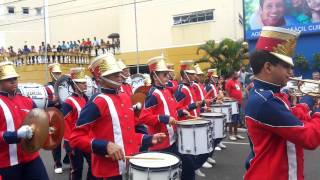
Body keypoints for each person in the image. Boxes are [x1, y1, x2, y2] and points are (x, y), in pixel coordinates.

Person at [70, 53, 166, 180]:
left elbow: (127, 135)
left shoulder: (126, 98)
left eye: (118, 72)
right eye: (112, 74)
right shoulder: (97, 102)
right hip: (108, 171)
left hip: (129, 165)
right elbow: (76, 137)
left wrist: (148, 139)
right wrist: (104, 146)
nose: (119, 76)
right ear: (99, 78)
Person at [244, 26, 320, 180]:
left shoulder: (271, 94)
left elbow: (292, 115)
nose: (291, 72)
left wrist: (309, 100)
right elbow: (309, 138)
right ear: (268, 67)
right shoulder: (266, 100)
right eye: (286, 66)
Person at [0, 61, 49, 180]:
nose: (13, 81)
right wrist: (15, 135)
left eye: (15, 78)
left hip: (32, 158)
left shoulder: (27, 101)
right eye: (8, 79)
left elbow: (39, 120)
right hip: (7, 163)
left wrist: (47, 128)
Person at [174, 60, 211, 178]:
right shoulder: (181, 90)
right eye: (191, 74)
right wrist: (193, 106)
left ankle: (193, 168)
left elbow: (194, 105)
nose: (194, 76)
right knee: (189, 160)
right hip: (186, 128)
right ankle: (191, 170)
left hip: (194, 122)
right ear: (184, 75)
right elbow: (177, 110)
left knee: (204, 150)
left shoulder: (190, 87)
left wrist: (202, 108)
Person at [61, 67, 96, 180]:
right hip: (74, 142)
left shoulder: (87, 99)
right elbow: (66, 125)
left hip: (86, 139)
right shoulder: (68, 102)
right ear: (74, 85)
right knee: (77, 169)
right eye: (82, 83)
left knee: (93, 166)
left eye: (85, 83)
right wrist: (68, 144)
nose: (85, 85)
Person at [45, 63, 66, 174]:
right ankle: (57, 163)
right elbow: (45, 103)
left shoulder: (65, 85)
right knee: (56, 141)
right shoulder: (47, 87)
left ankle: (68, 157)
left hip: (66, 114)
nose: (58, 75)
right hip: (54, 116)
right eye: (55, 73)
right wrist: (53, 101)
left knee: (71, 138)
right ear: (51, 74)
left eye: (59, 73)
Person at [225, 71, 245, 141]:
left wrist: (241, 98)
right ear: (232, 75)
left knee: (237, 119)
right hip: (232, 103)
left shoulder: (238, 82)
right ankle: (231, 134)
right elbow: (227, 92)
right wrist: (229, 100)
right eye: (235, 74)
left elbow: (239, 90)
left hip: (239, 103)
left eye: (237, 74)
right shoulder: (229, 82)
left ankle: (236, 134)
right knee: (232, 119)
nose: (237, 75)